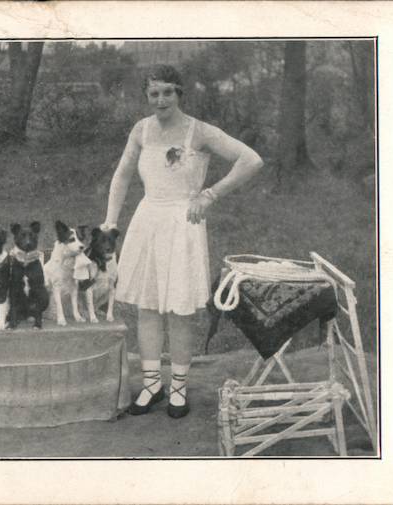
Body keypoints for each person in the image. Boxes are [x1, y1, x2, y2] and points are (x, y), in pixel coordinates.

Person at [102, 65, 263, 418]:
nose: (161, 100)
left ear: (180, 94)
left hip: (183, 222)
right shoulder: (141, 130)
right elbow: (123, 174)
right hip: (148, 219)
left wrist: (209, 194)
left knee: (178, 309)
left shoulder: (199, 131)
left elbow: (250, 160)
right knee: (146, 305)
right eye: (154, 93)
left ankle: (178, 388)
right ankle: (151, 385)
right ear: (147, 97)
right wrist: (111, 220)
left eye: (168, 92)